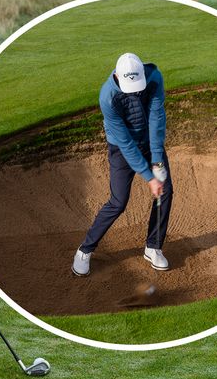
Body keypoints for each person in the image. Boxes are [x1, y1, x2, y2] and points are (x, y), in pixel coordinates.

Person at [72, 53, 173, 277]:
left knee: (165, 193)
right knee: (118, 202)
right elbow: (126, 144)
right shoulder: (107, 97)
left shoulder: (154, 77)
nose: (136, 91)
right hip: (121, 148)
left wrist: (156, 161)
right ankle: (85, 249)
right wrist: (149, 177)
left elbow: (157, 118)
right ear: (117, 76)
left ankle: (153, 246)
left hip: (150, 143)